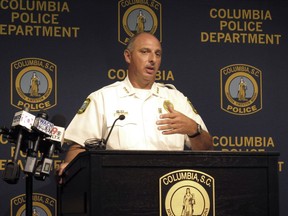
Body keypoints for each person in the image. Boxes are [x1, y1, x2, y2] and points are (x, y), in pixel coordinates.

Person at [58, 32, 213, 178]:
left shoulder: (176, 99)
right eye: (145, 51)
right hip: (119, 188)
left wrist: (194, 130)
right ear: (128, 56)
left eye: (157, 54)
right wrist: (68, 168)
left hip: (168, 190)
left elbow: (207, 149)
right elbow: (78, 147)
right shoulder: (103, 98)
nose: (152, 59)